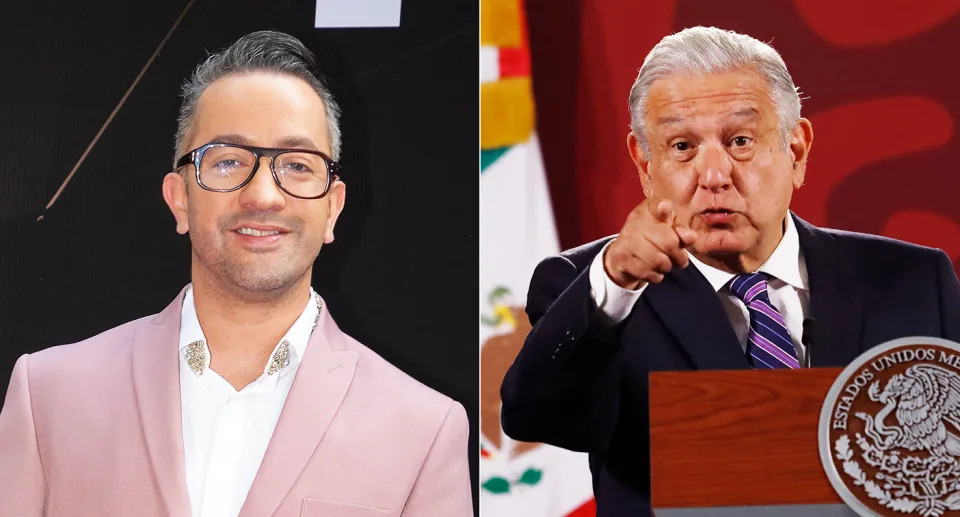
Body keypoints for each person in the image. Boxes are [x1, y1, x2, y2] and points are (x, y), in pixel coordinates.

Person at [0, 30, 471, 517]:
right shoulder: (49, 395)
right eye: (228, 161)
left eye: (297, 165)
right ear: (179, 198)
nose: (264, 195)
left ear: (333, 210)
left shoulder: (424, 431)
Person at [500, 26, 960, 516]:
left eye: (740, 140)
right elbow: (539, 417)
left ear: (796, 150)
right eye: (681, 147)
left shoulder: (914, 280)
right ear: (643, 162)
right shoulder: (591, 287)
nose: (714, 176)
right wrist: (615, 284)